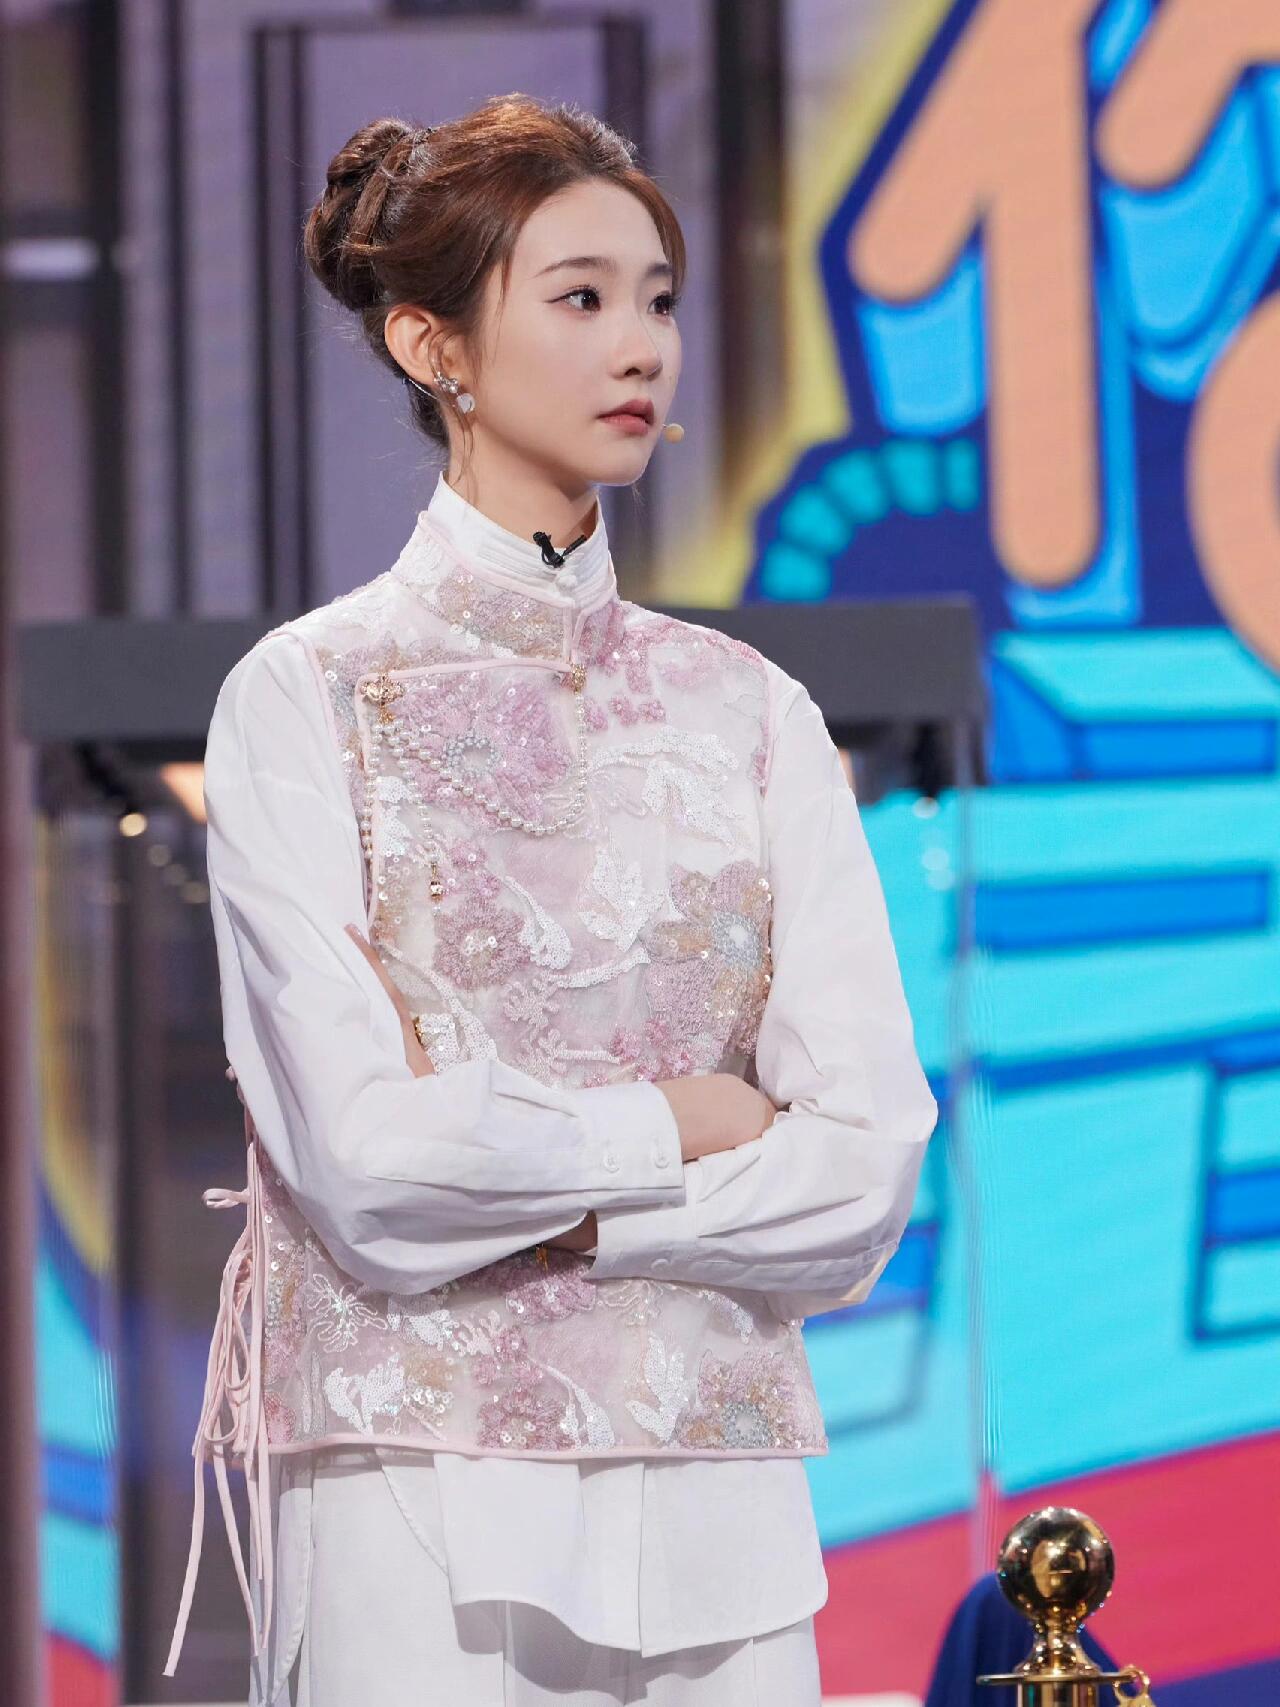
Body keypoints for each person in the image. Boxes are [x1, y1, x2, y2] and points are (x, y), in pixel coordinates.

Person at [163, 93, 938, 1706]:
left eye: (657, 299)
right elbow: (368, 1170)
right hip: (408, 1506)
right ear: (433, 344)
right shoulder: (309, 697)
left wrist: (554, 1205)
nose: (641, 345)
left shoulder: (752, 712)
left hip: (724, 1519)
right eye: (580, 298)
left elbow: (865, 1170)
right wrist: (683, 1124)